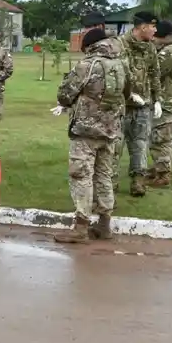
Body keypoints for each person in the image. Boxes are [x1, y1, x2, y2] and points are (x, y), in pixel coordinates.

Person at [51, 28, 129, 243]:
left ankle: (81, 226)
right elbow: (128, 93)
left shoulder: (87, 65)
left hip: (86, 130)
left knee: (81, 176)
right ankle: (104, 224)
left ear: (89, 46)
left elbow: (65, 95)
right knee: (104, 175)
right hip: (111, 129)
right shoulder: (121, 64)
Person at [116, 10, 161, 197]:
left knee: (140, 145)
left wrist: (157, 99)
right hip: (121, 106)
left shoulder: (150, 47)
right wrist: (129, 94)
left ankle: (138, 181)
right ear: (142, 27)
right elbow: (113, 74)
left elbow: (154, 74)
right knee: (114, 146)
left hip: (143, 106)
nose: (155, 30)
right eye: (152, 26)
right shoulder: (119, 45)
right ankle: (109, 183)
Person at [147, 20, 172, 188]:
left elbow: (155, 72)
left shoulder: (169, 52)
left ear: (167, 37)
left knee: (160, 138)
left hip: (165, 101)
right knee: (169, 137)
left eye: (156, 37)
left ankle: (163, 173)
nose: (153, 40)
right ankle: (164, 167)